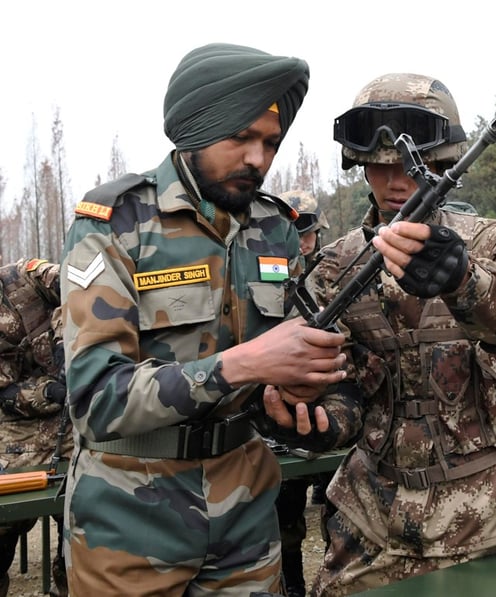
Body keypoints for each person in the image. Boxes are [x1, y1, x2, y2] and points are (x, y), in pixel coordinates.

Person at [59, 43, 348, 596]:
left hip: (246, 503)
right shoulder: (118, 222)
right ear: (194, 128)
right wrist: (243, 364)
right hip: (130, 512)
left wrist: (306, 401)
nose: (258, 159)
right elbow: (95, 398)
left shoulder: (273, 228)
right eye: (240, 137)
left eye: (269, 142)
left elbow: (302, 356)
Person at [306, 72, 496, 594]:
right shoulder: (337, 265)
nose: (395, 182)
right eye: (378, 166)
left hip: (478, 517)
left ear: (440, 162)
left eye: (407, 166)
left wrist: (465, 282)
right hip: (367, 521)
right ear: (360, 165)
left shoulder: (490, 243)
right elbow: (341, 395)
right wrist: (313, 418)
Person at [275, 189, 335, 597]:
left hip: (330, 398)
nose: (303, 239)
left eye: (308, 231)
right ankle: (293, 584)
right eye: (295, 231)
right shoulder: (268, 272)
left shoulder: (334, 269)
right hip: (282, 397)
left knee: (338, 500)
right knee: (286, 506)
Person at [0, 258, 71, 597]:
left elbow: (79, 285)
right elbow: (6, 395)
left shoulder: (25, 277)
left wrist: (66, 344)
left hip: (74, 421)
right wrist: (50, 390)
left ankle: (69, 582)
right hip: (16, 432)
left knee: (81, 513)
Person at [281, 189, 331, 263]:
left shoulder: (329, 265)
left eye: (306, 234)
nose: (300, 242)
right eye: (290, 237)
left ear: (317, 232)